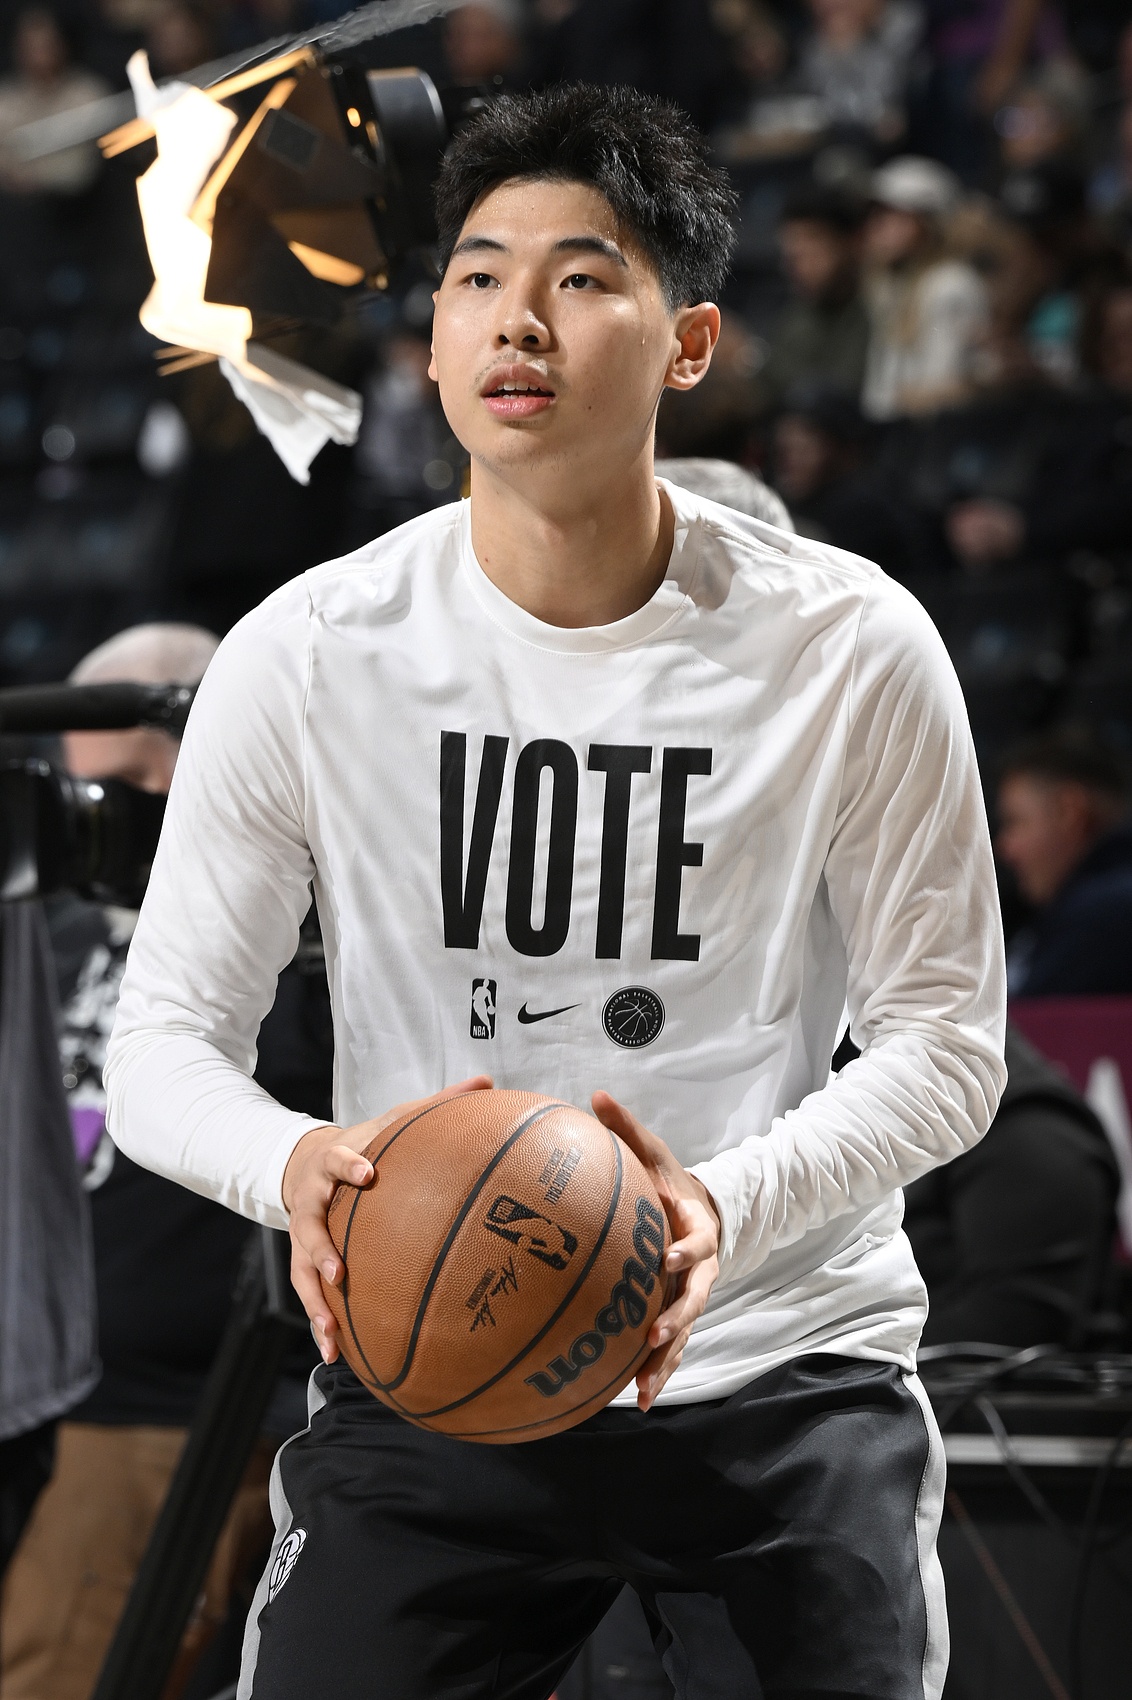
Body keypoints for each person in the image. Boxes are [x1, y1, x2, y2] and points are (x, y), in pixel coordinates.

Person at [106, 84, 1006, 1700]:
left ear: (691, 345)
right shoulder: (306, 655)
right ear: (435, 341)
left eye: (582, 277)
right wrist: (299, 1168)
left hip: (778, 1369)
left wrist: (714, 1210)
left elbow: (946, 1047)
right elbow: (162, 1047)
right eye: (477, 277)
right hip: (436, 1358)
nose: (517, 316)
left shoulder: (850, 647)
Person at [0, 625, 327, 1700]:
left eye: (148, 787)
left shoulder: (303, 929)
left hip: (177, 1405)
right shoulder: (57, 921)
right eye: (100, 792)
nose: (122, 823)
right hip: (49, 1386)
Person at [904, 1026, 1119, 1348]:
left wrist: (843, 1356)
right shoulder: (901, 1098)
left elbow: (1013, 1327)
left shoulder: (1034, 1137)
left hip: (954, 1374)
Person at [997, 731, 1132, 997]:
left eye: (1015, 822)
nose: (1004, 847)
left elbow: (1020, 1022)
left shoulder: (1103, 918)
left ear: (1069, 811)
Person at [861, 154, 989, 419]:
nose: (879, 227)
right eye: (877, 215)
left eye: (895, 216)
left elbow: (939, 390)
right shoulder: (891, 283)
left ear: (930, 224)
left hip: (930, 434)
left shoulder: (951, 284)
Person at [753, 180, 871, 416]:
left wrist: (745, 356)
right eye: (791, 248)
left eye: (812, 241)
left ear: (852, 242)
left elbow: (838, 396)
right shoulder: (800, 311)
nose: (797, 259)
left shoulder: (874, 306)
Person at [0, 7, 110, 196]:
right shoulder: (5, 100)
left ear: (61, 45)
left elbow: (83, 168)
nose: (39, 56)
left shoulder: (87, 96)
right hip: (13, 202)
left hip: (75, 203)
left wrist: (35, 176)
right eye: (31, 47)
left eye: (45, 46)